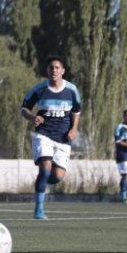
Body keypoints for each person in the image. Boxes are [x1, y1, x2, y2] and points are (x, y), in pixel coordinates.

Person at [20, 56, 81, 220]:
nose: (54, 70)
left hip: (63, 138)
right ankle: (39, 209)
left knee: (56, 177)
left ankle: (42, 180)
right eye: (51, 68)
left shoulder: (72, 90)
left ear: (62, 71)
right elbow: (24, 109)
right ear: (47, 71)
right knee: (45, 168)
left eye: (57, 68)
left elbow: (76, 111)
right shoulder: (39, 90)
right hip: (43, 135)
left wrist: (74, 129)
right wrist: (33, 118)